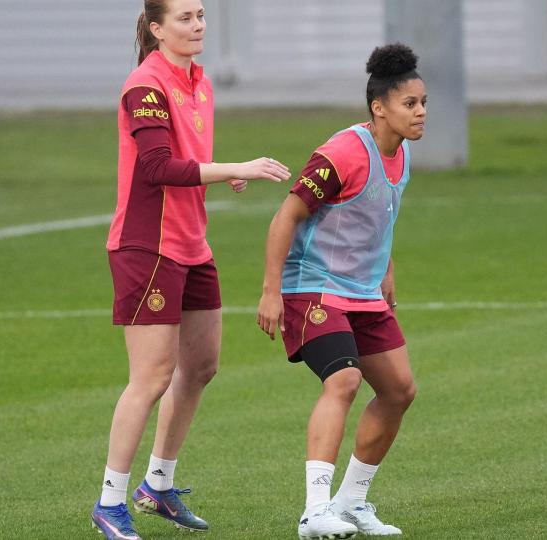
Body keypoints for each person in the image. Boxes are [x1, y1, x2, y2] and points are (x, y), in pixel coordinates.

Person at [91, 1, 291, 538]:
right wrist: (235, 167)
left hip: (192, 245)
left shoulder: (199, 82)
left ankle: (157, 487)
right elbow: (155, 168)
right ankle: (110, 504)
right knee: (152, 376)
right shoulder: (145, 85)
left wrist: (221, 175)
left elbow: (187, 157)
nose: (197, 24)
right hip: (147, 246)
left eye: (201, 15)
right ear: (156, 29)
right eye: (184, 17)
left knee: (200, 366)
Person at [257, 43, 426, 539]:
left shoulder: (403, 153)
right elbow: (287, 215)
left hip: (363, 291)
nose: (419, 113)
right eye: (409, 104)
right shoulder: (343, 152)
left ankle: (351, 502)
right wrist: (271, 291)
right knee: (345, 381)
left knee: (398, 391)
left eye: (423, 103)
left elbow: (377, 215)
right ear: (380, 108)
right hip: (313, 288)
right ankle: (314, 512)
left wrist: (386, 268)